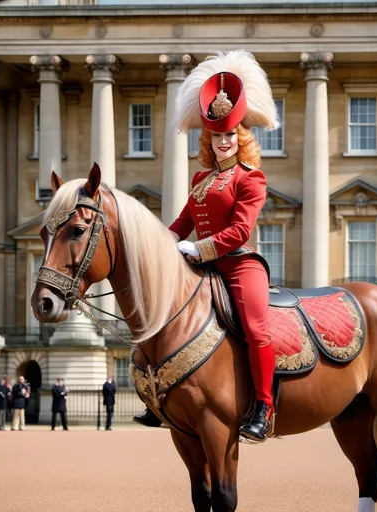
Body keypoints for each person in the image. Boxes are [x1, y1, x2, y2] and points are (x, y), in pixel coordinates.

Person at [133, 50, 280, 442]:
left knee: (254, 328)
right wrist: (157, 245)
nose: (224, 142)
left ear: (240, 137)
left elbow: (240, 231)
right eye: (217, 136)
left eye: (230, 135)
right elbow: (181, 224)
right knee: (160, 314)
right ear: (209, 139)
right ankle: (159, 397)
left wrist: (199, 250)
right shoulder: (200, 179)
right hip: (201, 268)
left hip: (237, 264)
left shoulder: (251, 179)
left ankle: (263, 407)